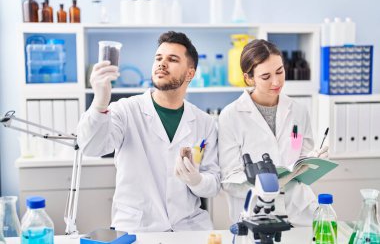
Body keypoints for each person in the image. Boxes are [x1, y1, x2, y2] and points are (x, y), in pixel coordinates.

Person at [77, 31, 220, 232]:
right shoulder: (125, 110)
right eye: (158, 58)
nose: (162, 64)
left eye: (172, 59)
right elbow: (91, 147)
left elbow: (213, 183)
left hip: (189, 227)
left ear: (190, 73)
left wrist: (196, 180)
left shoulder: (204, 122)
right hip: (138, 228)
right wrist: (100, 102)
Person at [218, 39, 328, 226]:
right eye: (266, 76)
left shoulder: (299, 110)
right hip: (256, 214)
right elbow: (229, 179)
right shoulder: (231, 115)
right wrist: (269, 185)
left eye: (279, 71)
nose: (276, 81)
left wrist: (314, 160)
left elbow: (302, 158)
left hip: (300, 212)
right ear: (249, 78)